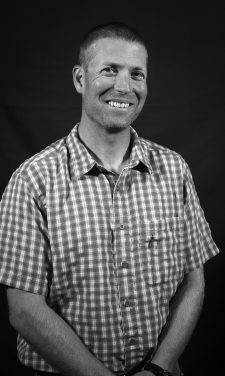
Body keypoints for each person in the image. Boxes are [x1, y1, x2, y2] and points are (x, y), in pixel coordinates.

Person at [0, 21, 219, 376]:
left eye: (137, 74)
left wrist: (160, 369)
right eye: (109, 70)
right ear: (79, 79)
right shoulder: (32, 180)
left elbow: (194, 280)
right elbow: (24, 309)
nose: (125, 86)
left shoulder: (174, 170)